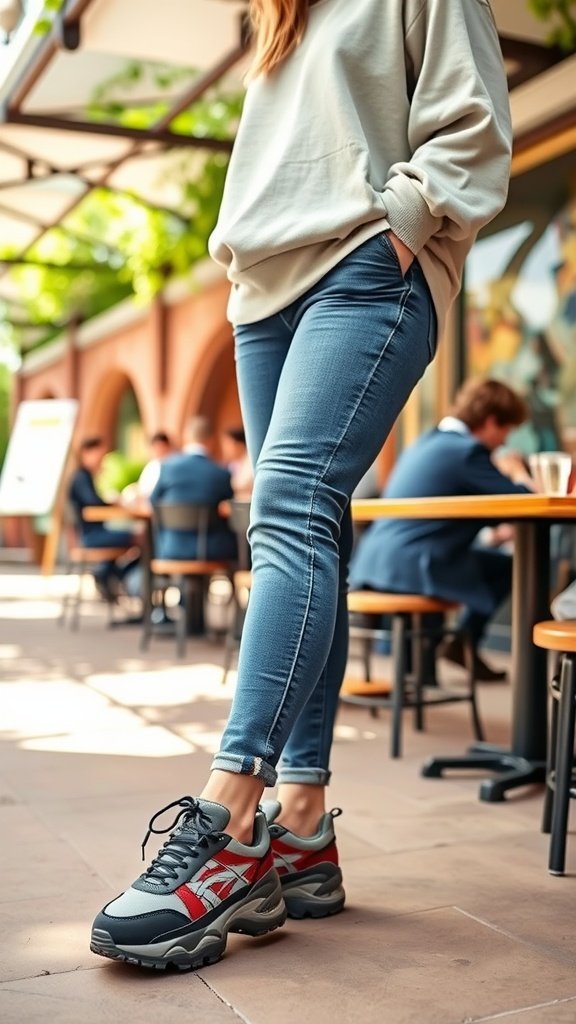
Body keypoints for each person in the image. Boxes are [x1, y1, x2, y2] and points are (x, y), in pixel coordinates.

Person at [91, 0, 513, 971]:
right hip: (264, 293)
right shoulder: (278, 17)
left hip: (365, 270)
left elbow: (472, 118)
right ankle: (303, 824)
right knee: (303, 524)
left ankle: (229, 817)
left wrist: (401, 228)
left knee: (285, 506)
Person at [349, 379, 533, 681]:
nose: (504, 442)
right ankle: (465, 641)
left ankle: (457, 647)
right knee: (513, 567)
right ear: (490, 422)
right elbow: (524, 502)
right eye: (506, 431)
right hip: (414, 567)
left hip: (373, 563)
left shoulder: (426, 442)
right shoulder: (467, 451)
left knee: (482, 559)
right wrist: (517, 471)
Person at [150, 416, 237, 561]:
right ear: (211, 440)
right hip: (211, 549)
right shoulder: (221, 474)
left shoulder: (167, 468)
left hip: (171, 547)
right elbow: (230, 507)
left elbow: (153, 501)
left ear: (187, 438)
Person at [68, 437, 137, 602]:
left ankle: (107, 573)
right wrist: (111, 502)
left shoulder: (87, 476)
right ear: (87, 453)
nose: (102, 460)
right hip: (91, 536)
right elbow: (92, 503)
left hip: (95, 532)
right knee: (141, 538)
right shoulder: (81, 477)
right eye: (100, 455)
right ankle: (109, 574)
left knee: (132, 537)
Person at [221, 425, 254, 500]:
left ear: (240, 445)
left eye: (229, 444)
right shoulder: (232, 464)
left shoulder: (250, 463)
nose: (226, 449)